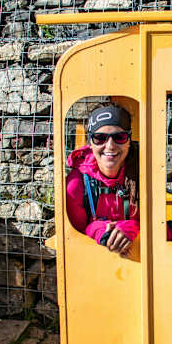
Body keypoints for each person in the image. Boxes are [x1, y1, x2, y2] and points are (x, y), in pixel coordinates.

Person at [66, 104, 139, 255]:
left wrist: (132, 228)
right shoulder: (76, 184)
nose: (110, 146)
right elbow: (72, 237)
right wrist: (98, 230)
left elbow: (164, 230)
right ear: (90, 142)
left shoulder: (146, 174)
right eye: (100, 138)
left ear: (129, 140)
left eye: (119, 137)